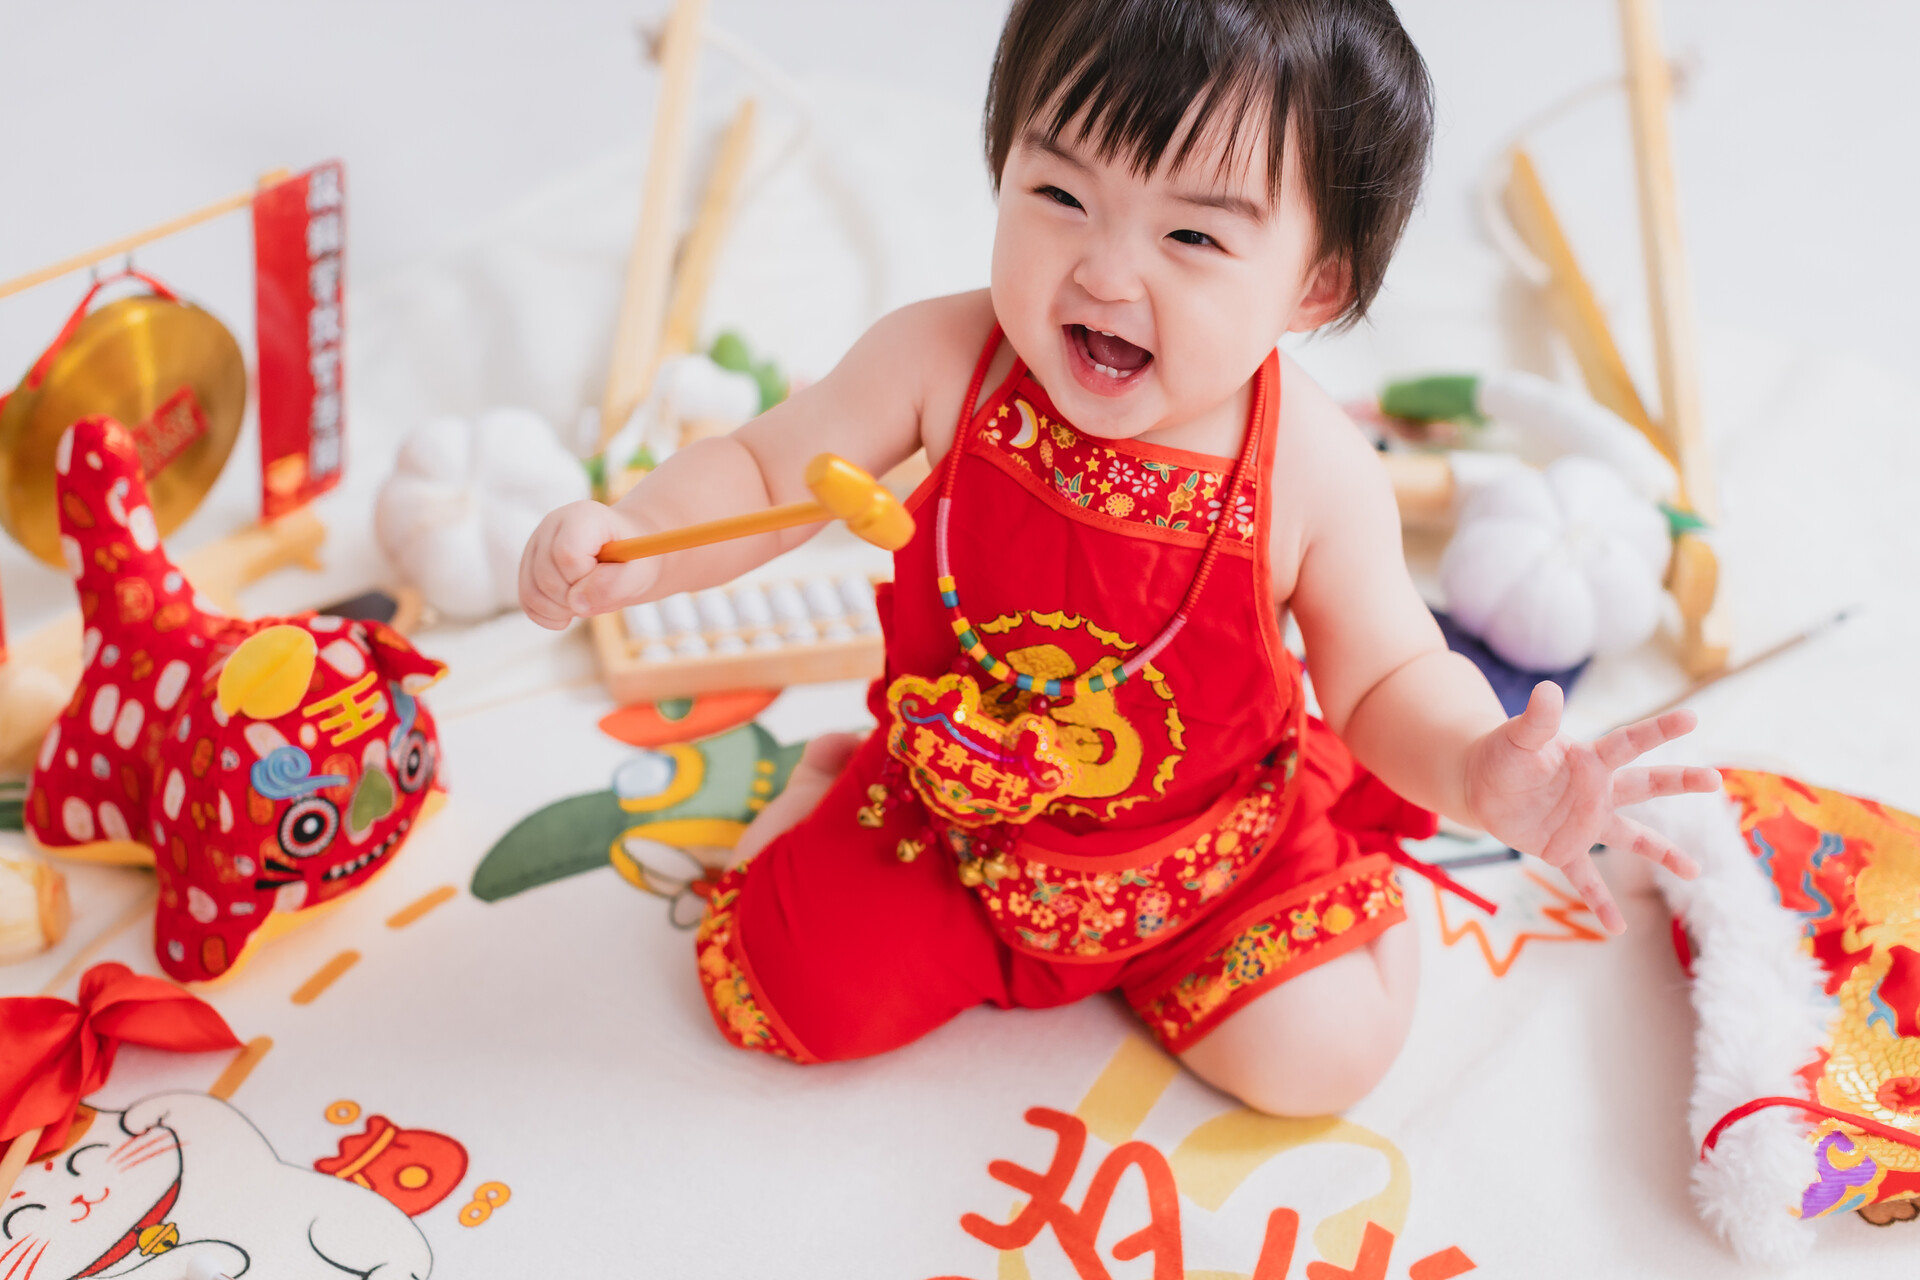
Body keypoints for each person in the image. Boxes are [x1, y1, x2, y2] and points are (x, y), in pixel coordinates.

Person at [519, 0, 1720, 1116]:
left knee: (1325, 1056)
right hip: (957, 820)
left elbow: (1387, 674)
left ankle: (1343, 893)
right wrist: (641, 541)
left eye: (1192, 232)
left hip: (1209, 853)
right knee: (781, 989)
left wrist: (1473, 766)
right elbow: (768, 472)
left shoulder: (1311, 464)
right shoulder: (943, 358)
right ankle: (825, 784)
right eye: (1060, 192)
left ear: (1313, 285)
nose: (1103, 272)